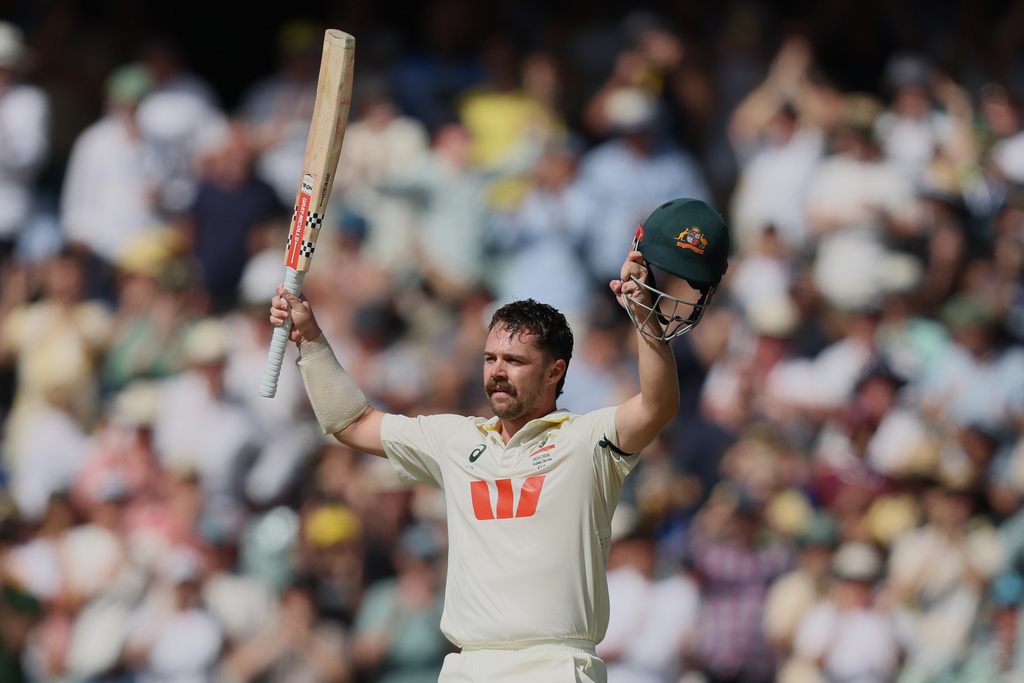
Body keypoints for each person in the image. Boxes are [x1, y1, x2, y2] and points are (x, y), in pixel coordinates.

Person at [269, 197, 731, 683]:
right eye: (491, 359)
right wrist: (312, 340)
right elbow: (352, 423)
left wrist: (645, 318)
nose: (497, 373)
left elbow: (658, 406)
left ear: (555, 372)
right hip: (470, 666)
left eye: (514, 362)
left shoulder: (588, 440)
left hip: (554, 665)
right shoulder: (454, 440)